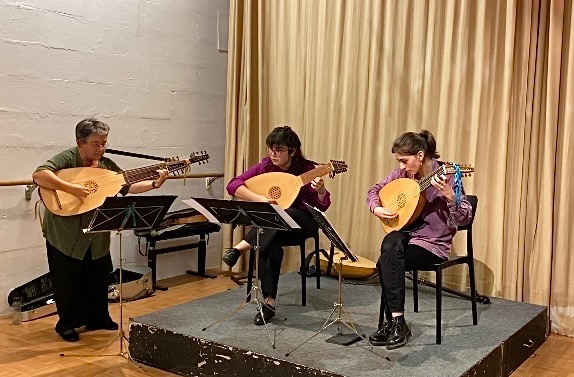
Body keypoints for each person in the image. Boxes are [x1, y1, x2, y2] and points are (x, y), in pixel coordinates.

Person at [32, 117, 169, 342]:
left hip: (96, 233)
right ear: (80, 142)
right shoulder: (68, 158)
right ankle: (67, 324)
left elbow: (128, 186)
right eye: (96, 144)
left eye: (104, 143)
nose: (101, 148)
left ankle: (98, 318)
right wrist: (72, 189)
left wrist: (155, 184)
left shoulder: (106, 165)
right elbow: (39, 175)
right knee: (68, 280)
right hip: (65, 234)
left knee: (98, 276)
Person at [366, 130, 472, 349]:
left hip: (432, 243)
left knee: (386, 262)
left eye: (405, 161)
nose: (402, 167)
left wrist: (451, 197)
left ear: (421, 155)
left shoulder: (448, 174)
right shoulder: (402, 175)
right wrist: (376, 207)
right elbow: (375, 190)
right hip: (407, 237)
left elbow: (464, 218)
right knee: (390, 243)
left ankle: (392, 323)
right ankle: (397, 321)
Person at [223, 126, 331, 325]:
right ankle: (269, 302)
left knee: (284, 214)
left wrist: (321, 191)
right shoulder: (266, 167)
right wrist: (260, 199)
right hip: (275, 228)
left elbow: (323, 205)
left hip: (302, 223)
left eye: (279, 149)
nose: (273, 153)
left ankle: (239, 249)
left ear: (292, 151)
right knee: (270, 240)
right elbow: (233, 185)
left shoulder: (308, 170)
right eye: (270, 148)